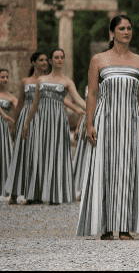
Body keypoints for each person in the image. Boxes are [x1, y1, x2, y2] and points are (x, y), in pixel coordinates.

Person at [77, 15, 139, 240]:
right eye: (122, 28)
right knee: (105, 170)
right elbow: (93, 94)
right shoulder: (98, 60)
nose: (126, 32)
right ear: (113, 32)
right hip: (105, 121)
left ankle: (126, 228)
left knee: (128, 170)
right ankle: (107, 227)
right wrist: (89, 123)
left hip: (130, 122)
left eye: (129, 28)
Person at [22, 48, 86, 205]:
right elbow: (34, 104)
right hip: (41, 120)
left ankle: (56, 195)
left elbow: (78, 100)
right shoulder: (41, 80)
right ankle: (34, 195)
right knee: (38, 153)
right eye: (56, 57)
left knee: (57, 154)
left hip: (58, 121)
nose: (59, 60)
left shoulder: (67, 81)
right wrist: (26, 123)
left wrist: (95, 108)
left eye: (62, 57)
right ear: (50, 61)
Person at [3, 52, 48, 204]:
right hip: (25, 119)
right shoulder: (25, 81)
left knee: (38, 155)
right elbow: (20, 104)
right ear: (33, 62)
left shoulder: (48, 80)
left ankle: (35, 194)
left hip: (42, 119)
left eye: (46, 60)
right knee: (21, 154)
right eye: (41, 60)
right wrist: (15, 125)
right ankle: (14, 195)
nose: (45, 63)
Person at [0, 68, 19, 195]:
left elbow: (20, 109)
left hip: (3, 128)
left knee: (4, 154)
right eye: (2, 77)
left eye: (7, 77)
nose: (5, 80)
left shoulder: (10, 97)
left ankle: (5, 186)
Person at [72, 85, 89, 200]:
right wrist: (78, 127)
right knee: (82, 157)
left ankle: (86, 191)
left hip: (94, 121)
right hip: (85, 120)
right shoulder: (87, 87)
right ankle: (82, 190)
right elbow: (85, 109)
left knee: (89, 156)